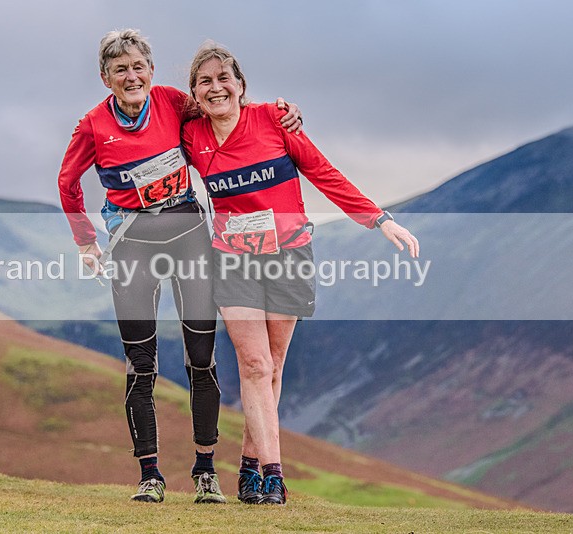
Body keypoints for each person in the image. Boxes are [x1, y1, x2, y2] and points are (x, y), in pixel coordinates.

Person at [57, 29, 302, 504]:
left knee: (201, 358)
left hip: (189, 234)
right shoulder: (91, 125)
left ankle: (205, 470)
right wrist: (86, 243)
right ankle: (150, 475)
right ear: (105, 78)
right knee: (140, 362)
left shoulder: (173, 101)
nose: (131, 76)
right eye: (120, 69)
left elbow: (226, 108)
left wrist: (282, 113)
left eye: (138, 67)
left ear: (151, 70)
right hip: (132, 242)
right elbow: (68, 183)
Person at [181, 43, 420, 505]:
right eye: (205, 81)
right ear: (194, 92)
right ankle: (273, 474)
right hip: (232, 257)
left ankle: (250, 463)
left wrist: (380, 219)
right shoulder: (192, 135)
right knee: (253, 365)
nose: (216, 88)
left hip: (289, 253)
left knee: (272, 367)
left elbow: (323, 173)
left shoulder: (273, 119)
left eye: (224, 78)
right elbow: (148, 122)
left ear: (241, 85)